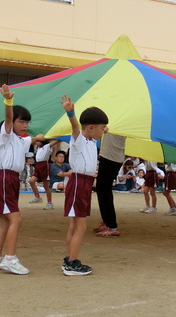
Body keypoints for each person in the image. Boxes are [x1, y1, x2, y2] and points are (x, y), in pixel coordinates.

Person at [0, 84, 45, 275]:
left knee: (6, 222)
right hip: (5, 178)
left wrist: (44, 137)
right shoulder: (6, 135)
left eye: (27, 122)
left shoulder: (23, 139)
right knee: (16, 219)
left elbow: (36, 138)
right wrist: (8, 101)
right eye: (21, 121)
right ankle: (10, 258)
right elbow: (8, 117)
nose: (25, 125)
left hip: (11, 180)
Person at [60, 94, 108, 276]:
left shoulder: (92, 140)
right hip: (79, 182)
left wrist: (103, 126)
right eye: (101, 128)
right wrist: (71, 113)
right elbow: (75, 126)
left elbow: (102, 128)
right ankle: (71, 263)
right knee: (80, 226)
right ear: (91, 127)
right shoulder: (79, 139)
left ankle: (69, 258)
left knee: (74, 224)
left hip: (85, 183)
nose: (103, 132)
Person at [93, 133, 127, 237]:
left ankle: (112, 226)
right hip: (109, 155)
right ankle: (107, 222)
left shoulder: (116, 124)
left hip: (111, 157)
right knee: (101, 189)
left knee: (104, 190)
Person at [29, 139, 58, 210]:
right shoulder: (38, 148)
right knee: (31, 181)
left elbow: (54, 142)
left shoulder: (47, 146)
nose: (36, 142)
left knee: (46, 186)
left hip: (44, 165)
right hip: (38, 165)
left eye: (38, 141)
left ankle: (50, 203)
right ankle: (37, 197)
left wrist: (60, 137)